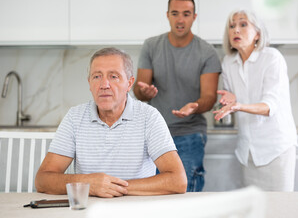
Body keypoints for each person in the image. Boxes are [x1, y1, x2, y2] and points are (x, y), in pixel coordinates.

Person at [35, 47, 187, 197]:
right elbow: (43, 180)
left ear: (129, 83)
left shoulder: (149, 117)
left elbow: (178, 180)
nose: (104, 85)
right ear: (89, 83)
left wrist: (111, 188)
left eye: (113, 76)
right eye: (97, 77)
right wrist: (88, 184)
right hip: (89, 212)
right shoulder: (74, 117)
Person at [133, 0, 221, 192]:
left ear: (194, 17)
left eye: (186, 14)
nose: (180, 19)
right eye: (175, 13)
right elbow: (140, 89)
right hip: (155, 134)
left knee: (187, 194)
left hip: (190, 133)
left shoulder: (207, 52)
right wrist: (144, 92)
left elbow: (209, 97)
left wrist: (195, 106)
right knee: (153, 195)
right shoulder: (151, 46)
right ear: (167, 15)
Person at [214, 10, 298, 191]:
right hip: (248, 151)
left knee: (281, 209)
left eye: (243, 24)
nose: (236, 30)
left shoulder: (272, 58)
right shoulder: (228, 62)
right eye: (232, 26)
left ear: (257, 33)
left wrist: (238, 105)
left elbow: (270, 106)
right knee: (255, 209)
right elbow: (231, 96)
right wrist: (231, 99)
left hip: (275, 150)